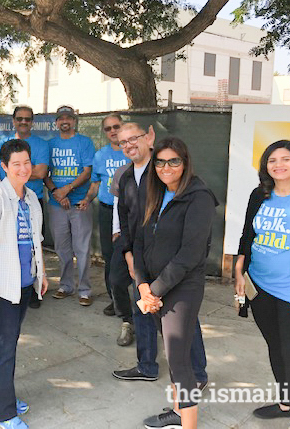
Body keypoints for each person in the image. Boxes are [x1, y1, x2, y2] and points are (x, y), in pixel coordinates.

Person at [111, 123, 208, 391]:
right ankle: (146, 366)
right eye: (123, 142)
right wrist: (130, 256)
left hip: (175, 272)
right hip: (142, 263)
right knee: (141, 309)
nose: (129, 145)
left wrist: (153, 288)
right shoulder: (127, 178)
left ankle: (197, 375)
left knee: (183, 326)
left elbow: (191, 247)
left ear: (149, 137)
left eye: (134, 139)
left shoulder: (186, 188)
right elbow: (129, 222)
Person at [134, 137, 217, 429]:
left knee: (180, 360)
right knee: (173, 355)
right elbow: (140, 242)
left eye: (173, 161)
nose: (165, 167)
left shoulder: (200, 196)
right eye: (160, 161)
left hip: (182, 289)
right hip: (153, 290)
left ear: (185, 163)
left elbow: (191, 253)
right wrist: (144, 286)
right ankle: (177, 412)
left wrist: (153, 292)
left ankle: (188, 424)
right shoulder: (155, 193)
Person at [235, 140, 290, 429]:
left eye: (285, 158)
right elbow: (248, 234)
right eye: (272, 160)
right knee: (276, 347)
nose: (278, 164)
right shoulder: (260, 195)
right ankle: (286, 403)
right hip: (259, 288)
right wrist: (239, 268)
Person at [0, 139, 48, 429]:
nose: (23, 168)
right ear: (4, 166)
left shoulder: (30, 198)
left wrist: (41, 275)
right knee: (6, 346)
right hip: (1, 286)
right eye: (16, 164)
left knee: (5, 342)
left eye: (26, 162)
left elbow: (35, 241)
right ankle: (2, 414)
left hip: (24, 283)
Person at [77, 113, 130, 343]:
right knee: (110, 256)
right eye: (107, 128)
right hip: (108, 210)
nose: (112, 131)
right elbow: (96, 183)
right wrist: (88, 199)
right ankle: (116, 300)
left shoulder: (132, 151)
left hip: (132, 212)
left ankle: (136, 301)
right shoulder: (100, 155)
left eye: (116, 126)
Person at [0, 105, 49, 309]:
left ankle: (34, 290)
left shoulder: (41, 145)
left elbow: (41, 172)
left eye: (28, 119)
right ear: (14, 120)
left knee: (34, 246)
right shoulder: (3, 143)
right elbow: (3, 173)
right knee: (11, 245)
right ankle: (10, 287)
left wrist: (18, 171)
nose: (24, 122)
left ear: (32, 121)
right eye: (20, 118)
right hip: (8, 202)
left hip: (32, 201)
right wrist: (28, 170)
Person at [44, 105, 95, 306]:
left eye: (69, 118)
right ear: (56, 122)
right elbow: (44, 173)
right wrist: (58, 193)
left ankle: (85, 290)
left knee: (82, 248)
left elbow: (87, 171)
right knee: (62, 248)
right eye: (61, 118)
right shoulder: (50, 144)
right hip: (58, 204)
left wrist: (68, 189)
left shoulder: (84, 142)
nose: (65, 121)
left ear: (74, 121)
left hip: (79, 203)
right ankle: (66, 286)